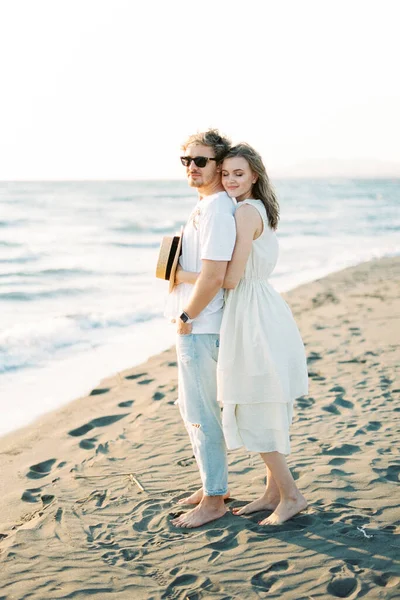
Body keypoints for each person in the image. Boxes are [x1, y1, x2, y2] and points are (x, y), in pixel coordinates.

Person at [176, 143, 309, 525]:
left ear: (255, 176)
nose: (231, 180)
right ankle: (272, 493)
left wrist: (179, 275)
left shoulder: (245, 213)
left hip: (251, 313)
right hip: (260, 309)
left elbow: (229, 279)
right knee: (264, 401)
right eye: (228, 173)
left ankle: (291, 495)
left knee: (255, 404)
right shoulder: (251, 210)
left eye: (240, 174)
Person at [165, 129, 236, 529]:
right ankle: (214, 485)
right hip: (196, 323)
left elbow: (215, 276)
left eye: (201, 161)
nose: (192, 167)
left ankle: (213, 499)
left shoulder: (216, 210)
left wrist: (186, 318)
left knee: (201, 411)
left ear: (218, 163)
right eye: (186, 161)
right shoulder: (205, 206)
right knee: (190, 407)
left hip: (202, 325)